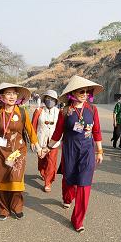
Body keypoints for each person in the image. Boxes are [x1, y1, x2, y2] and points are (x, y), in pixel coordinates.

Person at [41, 75, 103, 233]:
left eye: (87, 91)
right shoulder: (65, 111)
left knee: (83, 184)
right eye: (81, 91)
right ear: (73, 93)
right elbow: (57, 132)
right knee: (69, 178)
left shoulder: (92, 109)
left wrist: (99, 151)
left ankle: (78, 220)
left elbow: (96, 131)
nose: (84, 94)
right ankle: (67, 197)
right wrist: (48, 148)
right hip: (70, 150)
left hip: (87, 151)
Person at [0, 83, 42, 220]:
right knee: (2, 181)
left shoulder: (22, 112)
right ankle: (3, 209)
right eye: (8, 93)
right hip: (1, 151)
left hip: (18, 151)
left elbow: (30, 131)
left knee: (16, 180)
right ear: (1, 97)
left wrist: (38, 148)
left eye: (14, 93)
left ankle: (17, 207)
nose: (12, 96)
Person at [32, 90, 60, 192]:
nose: (50, 101)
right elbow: (33, 127)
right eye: (48, 98)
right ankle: (43, 172)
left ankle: (48, 182)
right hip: (41, 141)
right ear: (44, 99)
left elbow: (61, 127)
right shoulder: (38, 111)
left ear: (56, 101)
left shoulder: (59, 112)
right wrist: (33, 141)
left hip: (53, 141)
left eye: (52, 99)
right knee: (42, 160)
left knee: (51, 162)